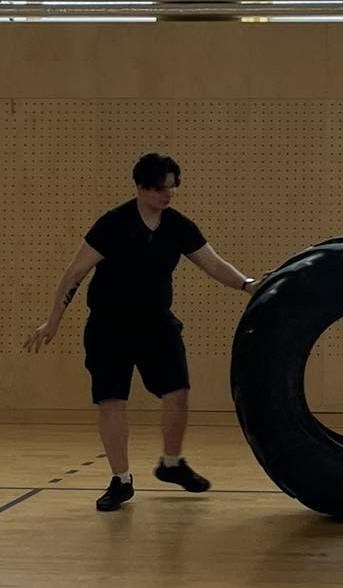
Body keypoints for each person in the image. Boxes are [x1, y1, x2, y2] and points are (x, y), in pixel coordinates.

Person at [24, 153, 259, 512]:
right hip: (109, 326)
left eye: (172, 187)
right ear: (140, 187)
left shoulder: (178, 226)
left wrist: (246, 285)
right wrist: (53, 321)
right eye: (160, 188)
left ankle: (171, 464)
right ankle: (121, 480)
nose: (168, 194)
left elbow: (212, 263)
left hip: (156, 324)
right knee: (111, 400)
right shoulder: (113, 224)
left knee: (177, 392)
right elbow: (74, 273)